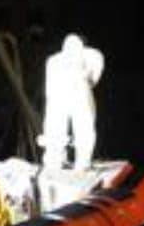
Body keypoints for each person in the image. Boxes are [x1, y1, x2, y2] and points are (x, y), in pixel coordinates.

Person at [40, 33, 105, 170]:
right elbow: (94, 76)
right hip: (77, 91)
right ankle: (81, 162)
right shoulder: (93, 54)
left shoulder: (52, 60)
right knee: (83, 127)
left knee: (56, 126)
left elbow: (48, 87)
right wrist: (86, 83)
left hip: (59, 94)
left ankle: (54, 161)